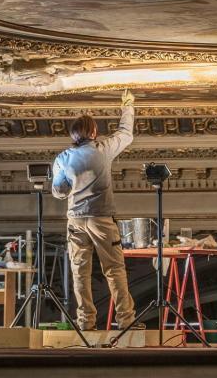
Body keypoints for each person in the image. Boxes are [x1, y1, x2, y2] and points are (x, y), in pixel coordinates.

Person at [51, 89, 137, 331]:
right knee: (114, 269)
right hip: (102, 219)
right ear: (94, 133)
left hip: (76, 220)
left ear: (73, 135)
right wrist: (127, 106)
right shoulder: (104, 149)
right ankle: (125, 320)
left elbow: (58, 191)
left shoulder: (62, 158)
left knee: (80, 272)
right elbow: (126, 134)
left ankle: (85, 322)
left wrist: (74, 182)